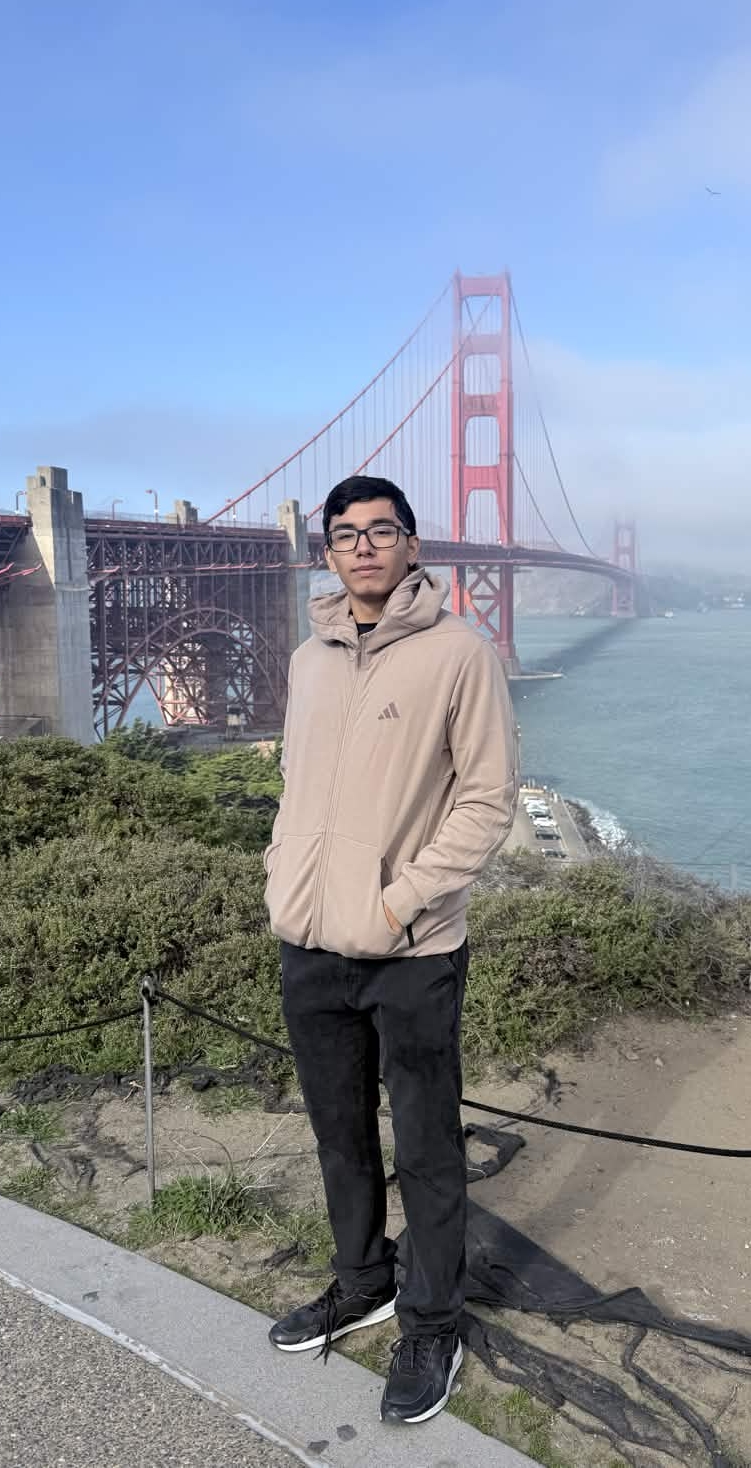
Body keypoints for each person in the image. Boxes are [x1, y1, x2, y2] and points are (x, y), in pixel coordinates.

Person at [264, 475, 517, 1427]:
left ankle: (431, 1322)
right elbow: (297, 784)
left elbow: (487, 800)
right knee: (338, 1134)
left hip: (411, 950)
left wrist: (398, 902)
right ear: (328, 553)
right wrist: (281, 878)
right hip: (308, 941)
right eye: (345, 534)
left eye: (381, 531)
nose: (363, 546)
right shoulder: (308, 660)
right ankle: (362, 1281)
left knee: (426, 1147)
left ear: (412, 545)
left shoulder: (461, 654)